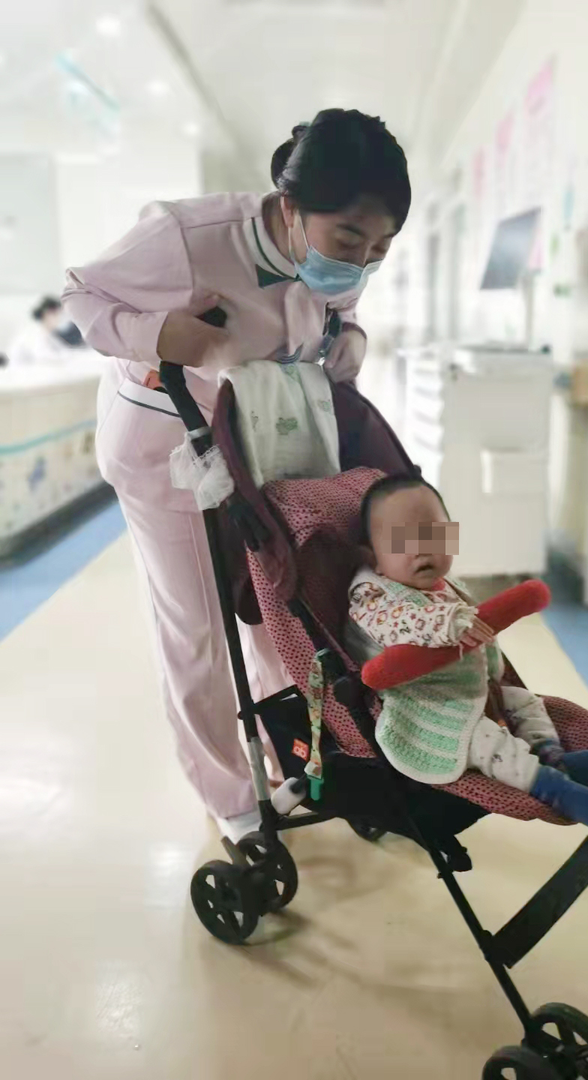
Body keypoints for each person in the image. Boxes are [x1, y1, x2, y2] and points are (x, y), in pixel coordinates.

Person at [62, 109, 411, 841]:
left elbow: (339, 302)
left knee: (277, 608)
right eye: (349, 239)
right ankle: (228, 793)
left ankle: (299, 759)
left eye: (379, 249)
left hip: (259, 440)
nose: (360, 261)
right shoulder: (185, 236)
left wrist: (348, 335)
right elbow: (83, 297)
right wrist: (159, 333)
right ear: (291, 205)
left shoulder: (341, 260)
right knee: (198, 626)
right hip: (167, 445)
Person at [346, 475, 588, 833]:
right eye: (401, 540)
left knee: (524, 701)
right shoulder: (370, 595)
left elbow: (480, 630)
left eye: (433, 534)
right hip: (423, 702)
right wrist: (448, 623)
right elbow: (396, 624)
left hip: (469, 687)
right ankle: (554, 788)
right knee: (482, 739)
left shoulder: (446, 584)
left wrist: (492, 669)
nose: (421, 549)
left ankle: (552, 758)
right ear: (374, 557)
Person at [7, 296, 76, 367]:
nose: (59, 318)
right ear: (46, 314)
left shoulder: (50, 335)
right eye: (55, 314)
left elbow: (64, 352)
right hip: (23, 371)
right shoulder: (33, 334)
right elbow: (44, 357)